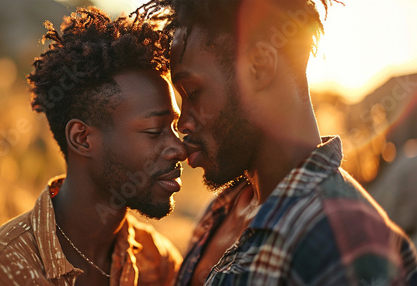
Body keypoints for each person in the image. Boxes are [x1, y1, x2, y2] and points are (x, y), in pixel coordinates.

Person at [136, 0, 417, 285]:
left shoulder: (346, 241)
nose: (183, 123)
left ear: (259, 67)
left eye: (193, 92)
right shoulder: (224, 207)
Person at [0, 7, 187, 286]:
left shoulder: (159, 264)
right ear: (82, 138)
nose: (180, 149)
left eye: (175, 128)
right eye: (154, 131)